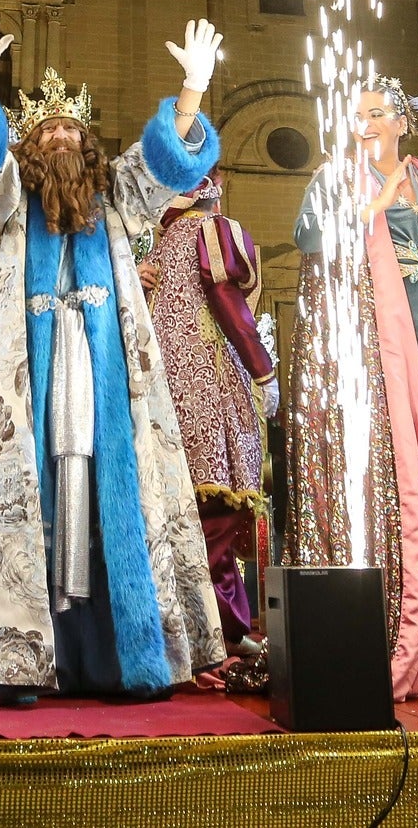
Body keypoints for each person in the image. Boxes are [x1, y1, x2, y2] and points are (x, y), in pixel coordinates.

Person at [0, 2, 225, 704]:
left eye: (69, 130)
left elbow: (165, 165)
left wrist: (193, 94)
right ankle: (17, 659)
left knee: (106, 497)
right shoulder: (9, 194)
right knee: (28, 498)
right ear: (29, 148)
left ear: (88, 146)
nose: (58, 138)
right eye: (46, 131)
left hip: (106, 368)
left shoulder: (115, 193)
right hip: (30, 371)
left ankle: (122, 656)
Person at [288, 78, 418, 699]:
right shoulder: (337, 176)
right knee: (396, 473)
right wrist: (372, 210)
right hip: (377, 343)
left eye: (377, 113)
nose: (366, 124)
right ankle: (401, 638)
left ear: (403, 120)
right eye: (358, 116)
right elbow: (309, 239)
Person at [141, 170, 277, 662]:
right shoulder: (211, 231)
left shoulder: (153, 251)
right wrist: (263, 371)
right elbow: (228, 303)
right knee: (215, 512)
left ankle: (181, 626)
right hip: (207, 388)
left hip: (160, 390)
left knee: (176, 512)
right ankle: (221, 630)